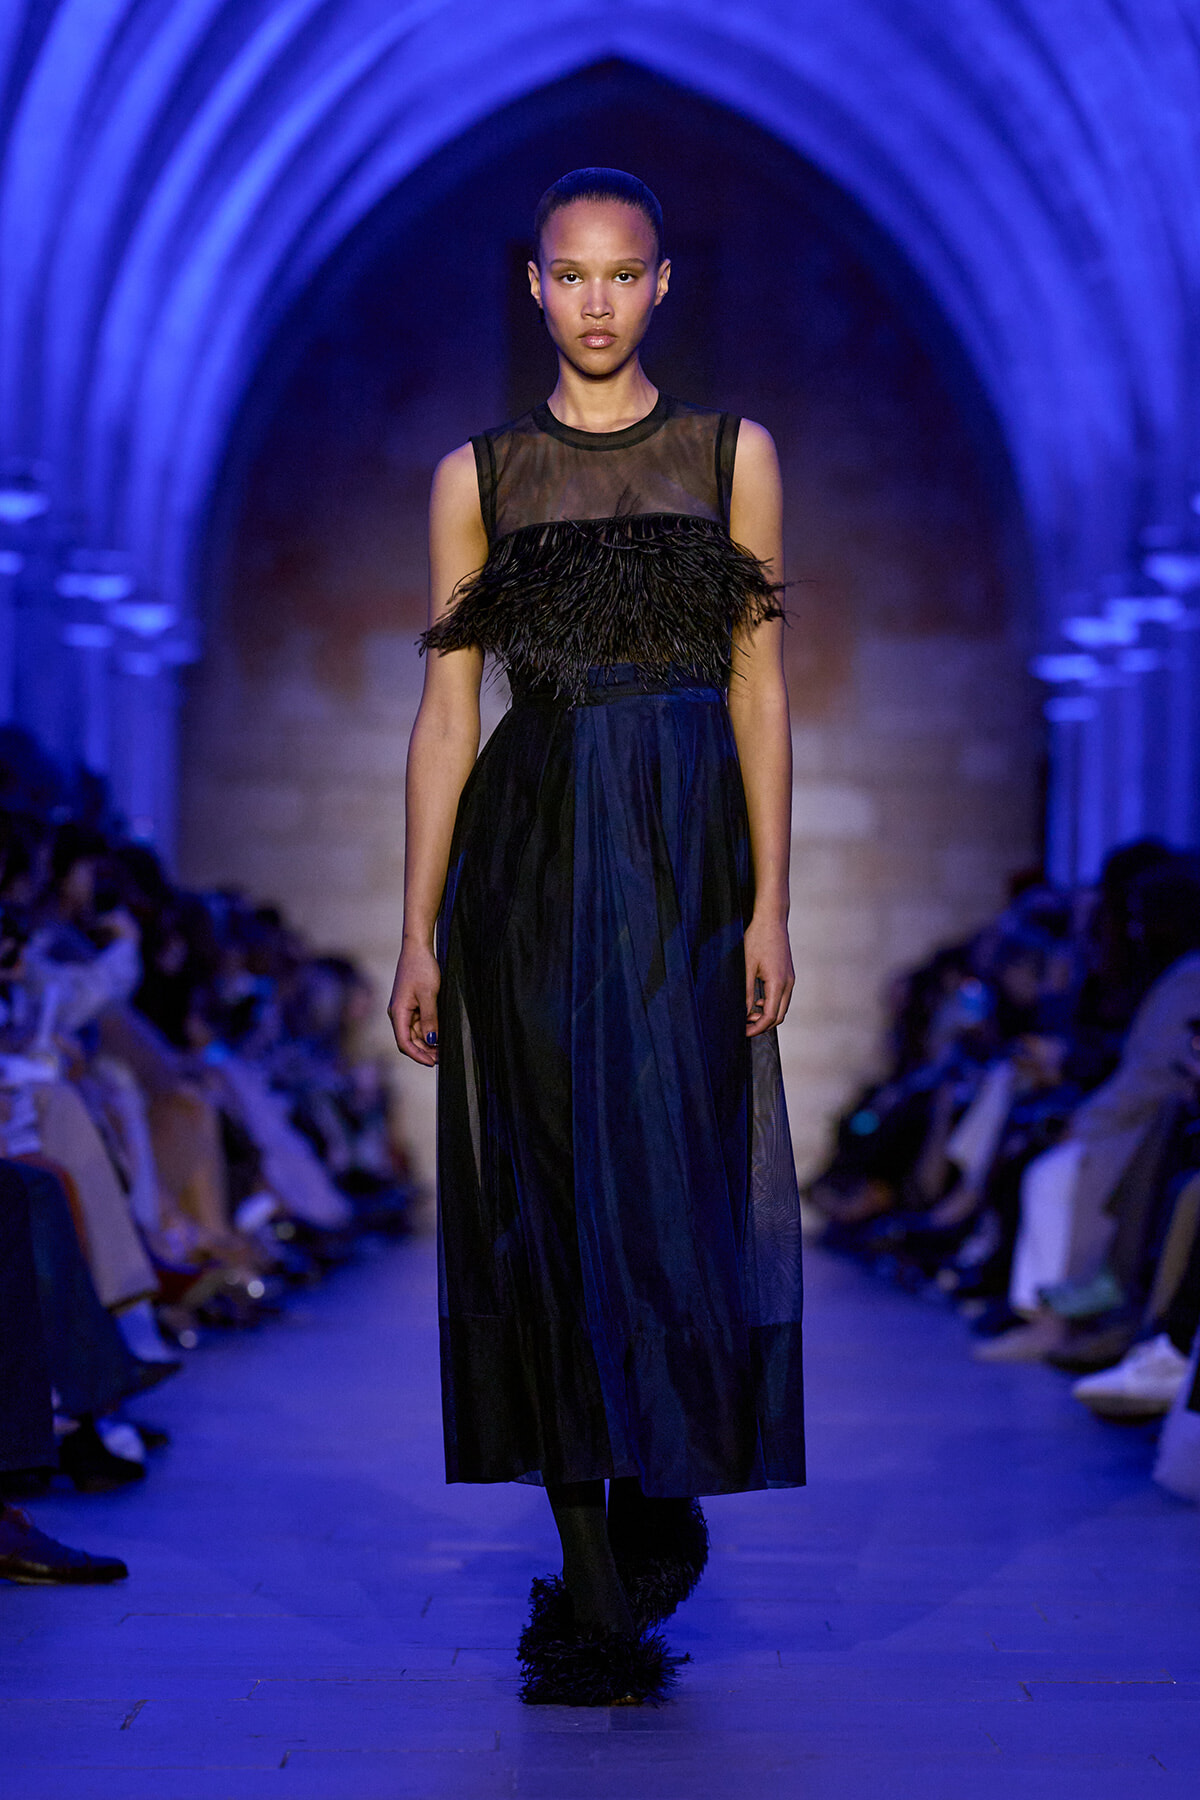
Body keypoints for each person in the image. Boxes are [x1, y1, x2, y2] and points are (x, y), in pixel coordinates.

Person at [389, 168, 805, 1705]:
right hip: (538, 846)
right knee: (548, 1203)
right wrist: (418, 929)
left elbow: (761, 688)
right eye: (570, 275)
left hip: (687, 852)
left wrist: (770, 900)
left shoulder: (731, 455)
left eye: (623, 274)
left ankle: (661, 1483)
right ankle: (591, 1585)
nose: (597, 300)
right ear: (534, 287)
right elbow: (447, 715)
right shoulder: (479, 477)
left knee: (679, 1178)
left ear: (664, 285)